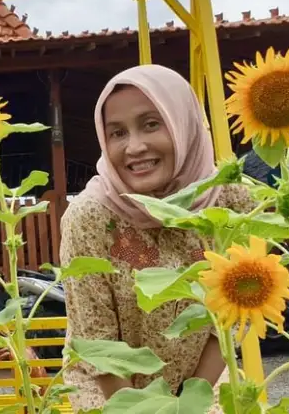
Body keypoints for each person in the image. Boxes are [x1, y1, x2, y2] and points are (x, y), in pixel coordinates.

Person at [60, 64, 254, 413]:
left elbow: (228, 320)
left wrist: (188, 403)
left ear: (184, 124)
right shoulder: (90, 217)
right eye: (117, 133)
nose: (134, 147)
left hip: (203, 377)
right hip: (105, 386)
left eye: (151, 124)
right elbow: (97, 346)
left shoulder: (231, 203)